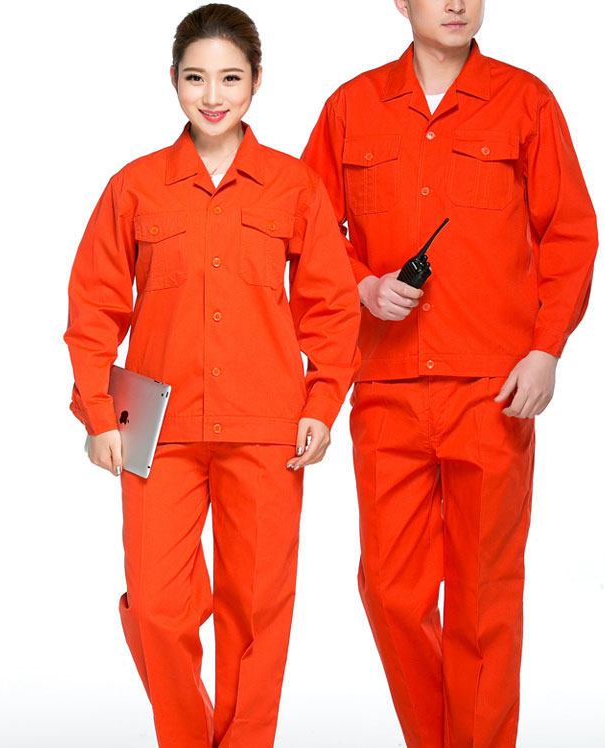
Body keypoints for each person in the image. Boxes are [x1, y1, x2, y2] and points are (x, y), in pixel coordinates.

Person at [301, 1, 598, 746]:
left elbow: (568, 232)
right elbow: (308, 232)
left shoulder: (526, 101)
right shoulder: (350, 107)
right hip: (386, 386)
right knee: (391, 592)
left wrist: (547, 348)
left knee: (483, 599)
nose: (456, 3)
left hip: (493, 389)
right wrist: (363, 285)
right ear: (401, 2)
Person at [63, 5, 360, 747]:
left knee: (256, 611)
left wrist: (323, 402)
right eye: (196, 77)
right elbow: (95, 305)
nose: (213, 94)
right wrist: (98, 413)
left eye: (230, 77)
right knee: (158, 609)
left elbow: (330, 306)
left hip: (266, 425)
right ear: (173, 81)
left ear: (256, 82)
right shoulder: (135, 186)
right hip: (155, 428)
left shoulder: (294, 186)